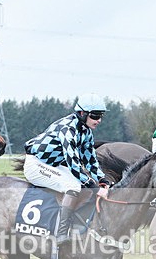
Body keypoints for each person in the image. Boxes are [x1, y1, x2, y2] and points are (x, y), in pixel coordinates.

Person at [24, 93, 111, 244]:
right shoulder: (68, 128)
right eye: (95, 116)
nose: (99, 120)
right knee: (73, 187)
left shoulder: (86, 131)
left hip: (53, 165)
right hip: (36, 164)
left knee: (82, 186)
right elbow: (73, 163)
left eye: (101, 116)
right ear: (82, 113)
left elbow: (90, 159)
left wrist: (102, 178)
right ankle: (61, 233)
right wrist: (95, 186)